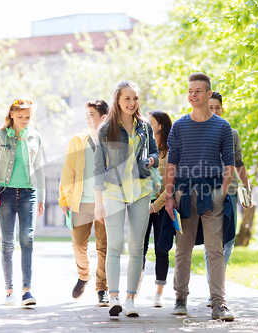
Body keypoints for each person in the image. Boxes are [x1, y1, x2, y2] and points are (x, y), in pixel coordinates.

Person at [165, 73, 235, 320]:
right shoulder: (179, 126)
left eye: (197, 91)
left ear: (208, 94)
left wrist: (222, 192)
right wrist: (170, 196)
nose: (192, 95)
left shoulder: (222, 126)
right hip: (183, 193)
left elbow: (229, 163)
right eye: (190, 91)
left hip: (212, 193)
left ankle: (218, 304)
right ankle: (180, 298)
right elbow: (171, 163)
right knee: (182, 250)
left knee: (215, 249)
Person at [93, 81, 159, 317]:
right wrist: (98, 204)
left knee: (137, 247)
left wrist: (151, 160)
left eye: (135, 99)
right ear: (117, 101)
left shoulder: (144, 127)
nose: (132, 103)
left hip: (141, 190)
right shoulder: (106, 129)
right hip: (113, 192)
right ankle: (114, 298)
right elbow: (98, 168)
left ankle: (131, 299)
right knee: (114, 246)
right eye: (127, 99)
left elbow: (154, 154)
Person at [0, 98, 45, 307]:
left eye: (28, 117)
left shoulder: (35, 137)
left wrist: (42, 197)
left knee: (27, 239)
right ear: (11, 115)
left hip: (29, 193)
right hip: (5, 192)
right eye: (20, 117)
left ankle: (27, 291)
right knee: (8, 241)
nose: (24, 120)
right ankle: (9, 290)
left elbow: (40, 169)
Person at [203, 91, 252, 307]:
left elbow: (239, 162)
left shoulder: (232, 134)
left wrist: (247, 189)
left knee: (228, 242)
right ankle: (216, 291)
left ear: (222, 109)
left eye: (217, 107)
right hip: (207, 193)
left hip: (230, 193)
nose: (214, 111)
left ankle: (216, 286)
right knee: (211, 245)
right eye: (210, 107)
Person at [59, 100, 110, 306]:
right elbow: (68, 169)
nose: (87, 118)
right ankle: (83, 275)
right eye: (86, 114)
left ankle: (102, 288)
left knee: (103, 247)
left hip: (105, 203)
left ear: (104, 117)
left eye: (92, 114)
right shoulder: (77, 140)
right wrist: (64, 198)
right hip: (80, 201)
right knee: (79, 244)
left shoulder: (112, 141)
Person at [141, 110, 172, 307]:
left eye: (151, 122)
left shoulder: (170, 152)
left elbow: (171, 183)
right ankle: (134, 291)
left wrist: (156, 205)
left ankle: (159, 293)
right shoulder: (142, 149)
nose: (147, 125)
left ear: (160, 125)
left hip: (160, 207)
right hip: (141, 205)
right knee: (139, 249)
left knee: (161, 249)